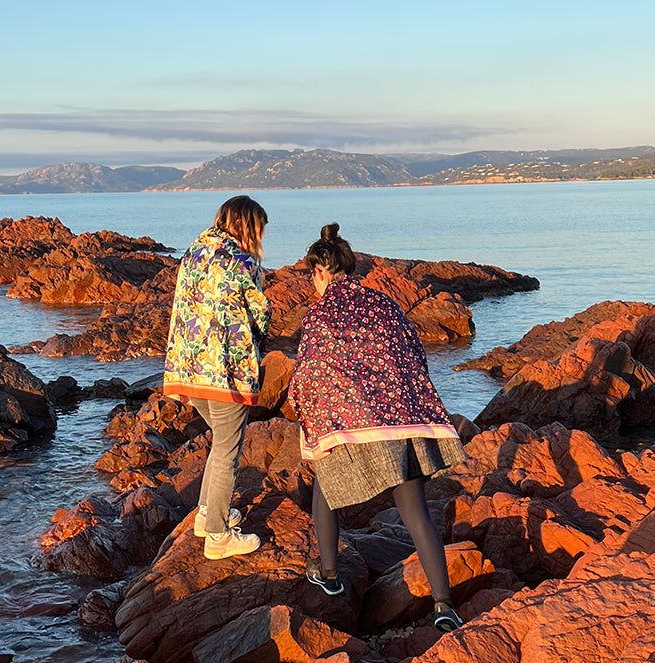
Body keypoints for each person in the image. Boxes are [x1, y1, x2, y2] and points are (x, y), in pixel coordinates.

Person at [288, 223, 467, 631]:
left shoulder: (320, 314)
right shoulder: (383, 304)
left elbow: (310, 373)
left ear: (318, 272)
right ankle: (444, 605)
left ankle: (329, 574)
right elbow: (413, 355)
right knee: (416, 513)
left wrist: (306, 412)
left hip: (351, 423)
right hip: (401, 420)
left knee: (326, 483)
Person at [163, 195, 270, 559]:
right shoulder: (241, 262)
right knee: (228, 449)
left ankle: (208, 513)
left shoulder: (194, 252)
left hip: (191, 370)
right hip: (226, 372)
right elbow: (259, 315)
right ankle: (218, 536)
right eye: (260, 229)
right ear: (248, 226)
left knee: (219, 442)